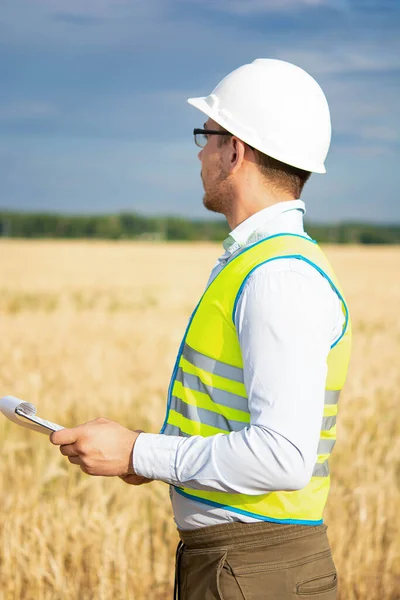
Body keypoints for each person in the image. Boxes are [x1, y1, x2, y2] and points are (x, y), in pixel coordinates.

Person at [50, 58, 352, 599]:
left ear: (234, 151)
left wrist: (140, 451)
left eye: (207, 136)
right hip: (244, 563)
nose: (199, 152)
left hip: (255, 569)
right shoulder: (264, 265)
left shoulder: (275, 277)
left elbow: (283, 456)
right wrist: (153, 453)